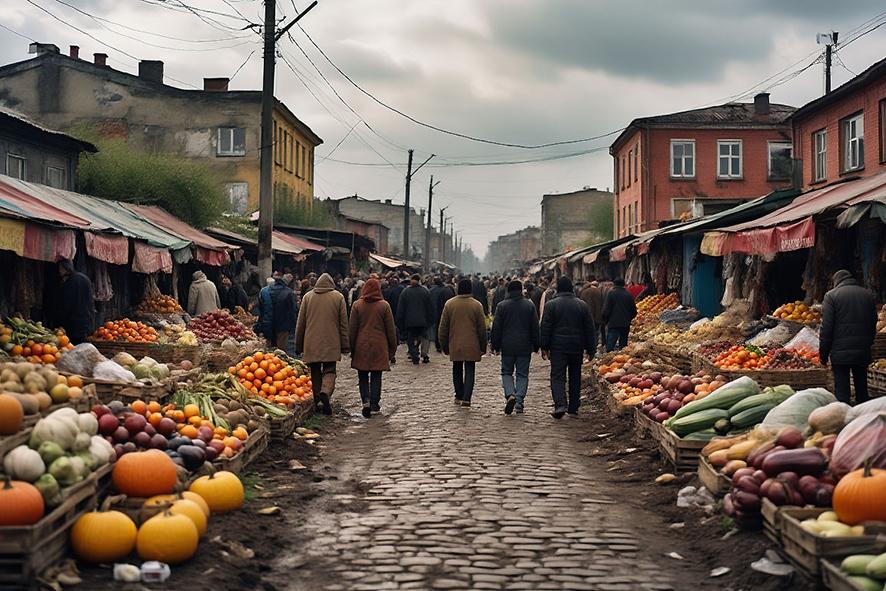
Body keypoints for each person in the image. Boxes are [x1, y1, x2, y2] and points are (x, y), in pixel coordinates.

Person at [540, 276, 596, 419]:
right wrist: (591, 349)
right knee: (575, 376)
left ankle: (560, 404)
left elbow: (546, 328)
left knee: (557, 376)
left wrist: (544, 346)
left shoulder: (551, 305)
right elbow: (590, 329)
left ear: (558, 289)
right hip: (576, 347)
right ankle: (573, 406)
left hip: (558, 347)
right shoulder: (582, 305)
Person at [819, 269, 877, 405]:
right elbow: (873, 321)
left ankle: (844, 422)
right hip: (862, 351)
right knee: (862, 392)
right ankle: (865, 419)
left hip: (840, 354)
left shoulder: (831, 296)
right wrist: (868, 343)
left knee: (842, 395)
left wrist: (823, 354)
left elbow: (826, 328)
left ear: (836, 281)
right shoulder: (867, 294)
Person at [295, 273, 349, 415]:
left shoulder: (307, 297)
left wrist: (298, 345)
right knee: (330, 370)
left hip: (311, 341)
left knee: (315, 371)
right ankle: (325, 391)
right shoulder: (338, 297)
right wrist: (345, 345)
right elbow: (343, 324)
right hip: (331, 341)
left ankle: (318, 399)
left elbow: (300, 324)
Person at [348, 278, 398, 418]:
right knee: (376, 375)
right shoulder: (384, 306)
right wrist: (392, 348)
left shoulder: (357, 305)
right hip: (379, 345)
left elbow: (352, 329)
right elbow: (390, 330)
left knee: (362, 375)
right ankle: (375, 404)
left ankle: (366, 401)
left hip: (361, 344)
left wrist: (351, 347)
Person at [491, 280, 539, 414]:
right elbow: (535, 327)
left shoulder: (502, 306)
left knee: (506, 372)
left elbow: (496, 327)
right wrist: (536, 345)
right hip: (525, 345)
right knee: (522, 374)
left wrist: (495, 344)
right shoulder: (529, 306)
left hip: (507, 345)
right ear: (521, 289)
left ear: (508, 291)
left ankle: (510, 393)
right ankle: (519, 402)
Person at [438, 278, 487, 407]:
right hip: (472, 343)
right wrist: (483, 346)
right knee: (470, 369)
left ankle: (458, 395)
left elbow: (443, 327)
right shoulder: (476, 305)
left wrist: (443, 344)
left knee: (457, 368)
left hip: (455, 342)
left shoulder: (450, 304)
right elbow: (482, 328)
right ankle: (467, 398)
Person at [396, 274, 434, 364]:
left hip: (409, 322)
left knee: (410, 339)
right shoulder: (425, 291)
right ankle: (424, 354)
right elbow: (430, 308)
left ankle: (414, 355)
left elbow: (401, 309)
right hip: (423, 321)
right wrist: (430, 320)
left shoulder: (405, 292)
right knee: (424, 337)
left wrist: (400, 322)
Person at [57, 259, 95, 344]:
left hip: (75, 323)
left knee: (75, 349)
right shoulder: (84, 278)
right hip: (87, 320)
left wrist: (61, 322)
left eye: (60, 268)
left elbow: (67, 304)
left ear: (64, 268)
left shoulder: (69, 282)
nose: (59, 271)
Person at [602, 278, 637, 352]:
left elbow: (606, 310)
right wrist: (629, 318)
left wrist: (606, 320)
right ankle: (622, 357)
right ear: (624, 284)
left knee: (610, 345)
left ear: (614, 284)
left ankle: (609, 359)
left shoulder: (611, 293)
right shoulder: (628, 294)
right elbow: (634, 311)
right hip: (625, 324)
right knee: (623, 347)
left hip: (613, 323)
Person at [268, 275, 297, 350]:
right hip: (284, 323)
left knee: (270, 348)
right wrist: (294, 323)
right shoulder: (289, 292)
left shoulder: (269, 290)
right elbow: (293, 309)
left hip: (270, 322)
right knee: (281, 349)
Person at [579, 277, 605, 351]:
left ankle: (587, 346)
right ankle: (594, 347)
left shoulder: (583, 292)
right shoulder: (598, 292)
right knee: (595, 332)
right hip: (596, 316)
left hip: (585, 316)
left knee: (586, 332)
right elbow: (600, 305)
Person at [429, 276, 454, 353]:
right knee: (447, 328)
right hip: (446, 312)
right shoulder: (447, 290)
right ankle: (446, 344)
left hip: (435, 312)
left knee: (438, 329)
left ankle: (438, 344)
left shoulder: (432, 291)